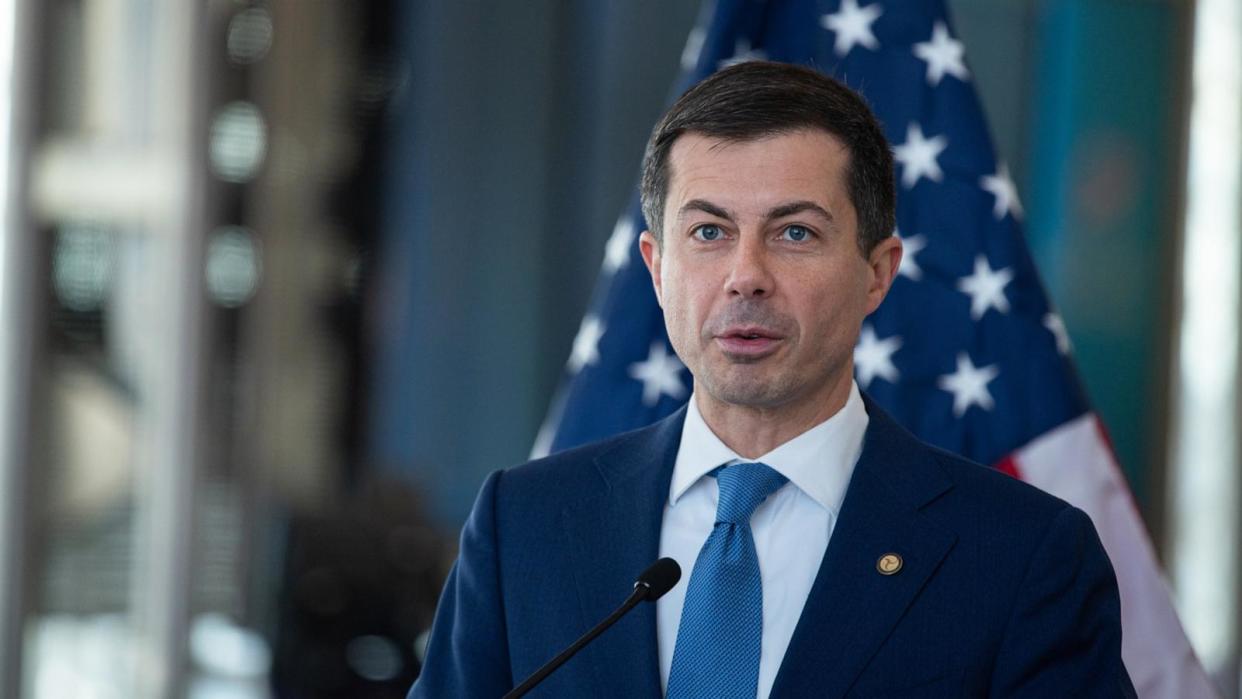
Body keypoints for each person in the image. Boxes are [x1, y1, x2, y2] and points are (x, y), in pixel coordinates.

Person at [408, 61, 1135, 698]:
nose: (746, 276)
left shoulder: (1019, 556)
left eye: (795, 233)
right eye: (708, 232)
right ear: (657, 268)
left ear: (878, 271)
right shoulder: (526, 525)